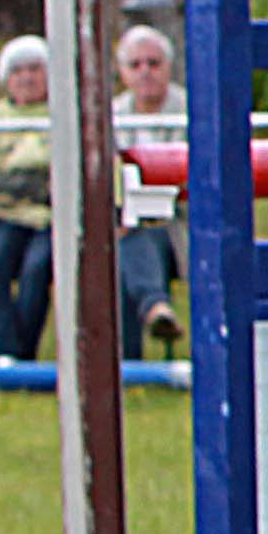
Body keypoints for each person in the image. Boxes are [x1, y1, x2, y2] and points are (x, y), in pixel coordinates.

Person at [0, 35, 54, 366]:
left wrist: (18, 180)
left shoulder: (63, 114)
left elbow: (57, 179)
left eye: (35, 68)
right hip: (5, 216)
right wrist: (31, 182)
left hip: (48, 219)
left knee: (36, 268)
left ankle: (23, 355)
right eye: (18, 71)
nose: (27, 77)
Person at [113, 21, 185, 353]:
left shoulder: (193, 110)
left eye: (154, 63)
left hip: (181, 222)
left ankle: (132, 357)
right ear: (122, 72)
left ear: (169, 67)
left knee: (130, 238)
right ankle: (155, 310)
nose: (145, 72)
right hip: (128, 222)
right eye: (135, 65)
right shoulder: (109, 115)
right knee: (126, 239)